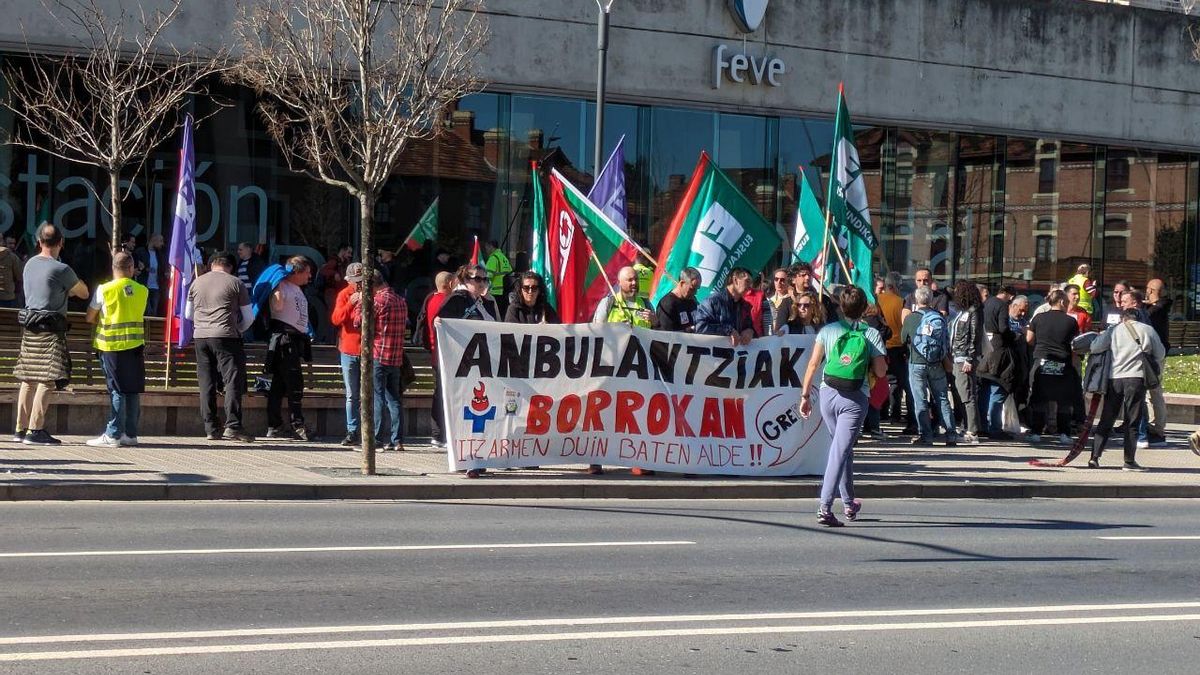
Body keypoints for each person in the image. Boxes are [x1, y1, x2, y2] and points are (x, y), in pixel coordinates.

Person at [799, 285, 887, 527]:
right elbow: (881, 371)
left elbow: (813, 365)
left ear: (840, 306)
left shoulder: (828, 330)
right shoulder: (870, 334)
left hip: (828, 394)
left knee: (842, 448)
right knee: (840, 451)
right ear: (864, 308)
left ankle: (849, 502)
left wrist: (805, 396)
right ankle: (825, 507)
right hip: (855, 397)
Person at [13, 223, 89, 446]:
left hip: (30, 327)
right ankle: (35, 430)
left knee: (28, 379)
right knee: (47, 379)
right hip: (51, 330)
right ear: (61, 243)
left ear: (39, 241)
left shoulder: (29, 264)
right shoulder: (62, 269)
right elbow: (83, 293)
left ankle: (20, 429)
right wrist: (68, 288)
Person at [437, 264, 498, 478]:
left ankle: (479, 457)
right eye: (476, 278)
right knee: (467, 414)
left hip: (484, 367)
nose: (481, 283)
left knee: (484, 414)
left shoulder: (487, 302)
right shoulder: (457, 299)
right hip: (463, 367)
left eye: (484, 279)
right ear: (465, 280)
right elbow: (441, 322)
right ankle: (467, 458)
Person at [189, 251, 255, 442]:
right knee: (232, 380)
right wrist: (237, 329)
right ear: (231, 267)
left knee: (206, 382)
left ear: (211, 265)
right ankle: (233, 425)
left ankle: (211, 428)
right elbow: (249, 317)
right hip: (226, 336)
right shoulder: (236, 283)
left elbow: (187, 314)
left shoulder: (196, 282)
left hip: (200, 337)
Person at [1088, 307, 1165, 470]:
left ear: (1123, 318)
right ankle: (1129, 461)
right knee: (1132, 420)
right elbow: (1160, 353)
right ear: (1138, 318)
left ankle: (1094, 457)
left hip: (1114, 378)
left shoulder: (1113, 330)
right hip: (1137, 378)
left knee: (1107, 418)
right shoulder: (1148, 330)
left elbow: (1095, 347)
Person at [84, 252, 148, 447]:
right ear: (131, 269)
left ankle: (113, 434)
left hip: (111, 346)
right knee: (132, 390)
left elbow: (89, 316)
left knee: (117, 390)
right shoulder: (143, 290)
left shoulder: (104, 289)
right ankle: (130, 434)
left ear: (113, 268)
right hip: (135, 346)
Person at [354, 270, 409, 452]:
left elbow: (358, 322)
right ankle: (397, 440)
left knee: (377, 398)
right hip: (396, 357)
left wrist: (360, 302)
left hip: (379, 354)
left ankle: (376, 440)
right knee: (394, 399)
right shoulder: (400, 300)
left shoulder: (377, 301)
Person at [901, 287, 957, 446]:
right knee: (942, 398)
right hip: (937, 362)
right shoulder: (938, 317)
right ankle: (951, 434)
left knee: (920, 400)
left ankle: (926, 436)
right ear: (931, 299)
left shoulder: (911, 318)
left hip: (916, 362)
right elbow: (946, 340)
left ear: (916, 300)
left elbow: (902, 339)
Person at [265, 256, 313, 440]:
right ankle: (297, 424)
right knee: (294, 383)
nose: (309, 276)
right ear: (297, 272)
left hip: (295, 339)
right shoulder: (282, 286)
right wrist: (277, 285)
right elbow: (277, 307)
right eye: (307, 272)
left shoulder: (297, 288)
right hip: (284, 340)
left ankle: (275, 425)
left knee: (279, 384)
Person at [1024, 290, 1080, 445]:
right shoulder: (1071, 321)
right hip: (1063, 362)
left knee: (1039, 398)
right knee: (1063, 400)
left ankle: (1036, 432)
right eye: (1067, 302)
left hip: (1042, 360)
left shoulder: (1038, 318)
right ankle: (1064, 434)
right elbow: (1075, 344)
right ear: (1061, 302)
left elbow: (1029, 339)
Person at [330, 262, 365, 446]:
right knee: (352, 394)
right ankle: (352, 430)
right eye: (355, 280)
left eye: (361, 280)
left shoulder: (372, 293)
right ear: (348, 280)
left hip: (368, 350)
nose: (358, 284)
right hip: (349, 349)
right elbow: (336, 319)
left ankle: (369, 431)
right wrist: (351, 303)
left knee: (368, 393)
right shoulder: (344, 294)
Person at [419, 271, 455, 447]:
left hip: (435, 353)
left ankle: (437, 434)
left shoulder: (430, 299)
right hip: (444, 354)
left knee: (439, 393)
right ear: (449, 284)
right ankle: (441, 434)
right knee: (444, 395)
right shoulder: (447, 303)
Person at [977, 285, 1016, 439]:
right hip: (998, 350)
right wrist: (1014, 336)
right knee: (997, 388)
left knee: (984, 390)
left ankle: (982, 425)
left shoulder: (985, 303)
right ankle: (995, 428)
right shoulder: (1002, 305)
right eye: (1011, 297)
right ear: (1007, 294)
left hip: (984, 349)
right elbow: (1003, 328)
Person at [949, 280, 983, 445]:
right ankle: (968, 425)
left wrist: (970, 358)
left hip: (965, 357)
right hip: (958, 356)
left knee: (967, 394)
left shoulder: (973, 312)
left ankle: (972, 430)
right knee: (962, 393)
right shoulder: (964, 312)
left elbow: (975, 336)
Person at [877, 271, 910, 430]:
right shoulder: (901, 302)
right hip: (896, 346)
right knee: (897, 382)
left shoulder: (877, 300)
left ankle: (882, 412)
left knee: (880, 379)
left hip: (880, 346)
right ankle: (895, 413)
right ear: (894, 286)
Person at [694, 267, 756, 346]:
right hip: (713, 351)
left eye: (751, 283)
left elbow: (749, 326)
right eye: (747, 281)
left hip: (735, 352)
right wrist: (728, 330)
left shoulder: (746, 306)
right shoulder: (712, 301)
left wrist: (750, 331)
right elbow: (700, 328)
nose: (750, 287)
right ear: (735, 280)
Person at [1143, 278, 1171, 446]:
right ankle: (1154, 426)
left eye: (1147, 289)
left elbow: (1148, 317)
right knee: (1152, 392)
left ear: (1151, 291)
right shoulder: (1159, 307)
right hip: (1156, 354)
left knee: (1154, 391)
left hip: (1155, 356)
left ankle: (1157, 428)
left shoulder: (1155, 311)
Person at [655, 267, 701, 332]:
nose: (695, 292)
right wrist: (687, 330)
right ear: (682, 283)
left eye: (697, 289)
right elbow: (665, 333)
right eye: (692, 289)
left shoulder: (692, 300)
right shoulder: (667, 304)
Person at [134, 233, 166, 316]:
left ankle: (151, 324)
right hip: (143, 285)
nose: (162, 243)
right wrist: (144, 268)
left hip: (156, 286)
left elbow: (163, 269)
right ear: (154, 240)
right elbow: (134, 263)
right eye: (160, 241)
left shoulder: (160, 254)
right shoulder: (140, 251)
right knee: (146, 310)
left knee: (154, 311)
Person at [483, 240, 513, 315]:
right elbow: (510, 272)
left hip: (495, 292)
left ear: (491, 246)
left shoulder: (493, 258)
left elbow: (487, 276)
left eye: (486, 247)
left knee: (495, 315)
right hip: (504, 292)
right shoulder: (503, 257)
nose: (486, 250)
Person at [762, 267, 791, 332]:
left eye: (782, 280)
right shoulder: (769, 300)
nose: (779, 282)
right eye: (776, 279)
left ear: (788, 282)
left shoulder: (791, 301)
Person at [0, 237, 25, 309]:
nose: (12, 245)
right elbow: (19, 276)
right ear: (3, 242)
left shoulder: (14, 256)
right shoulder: (12, 257)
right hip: (7, 296)